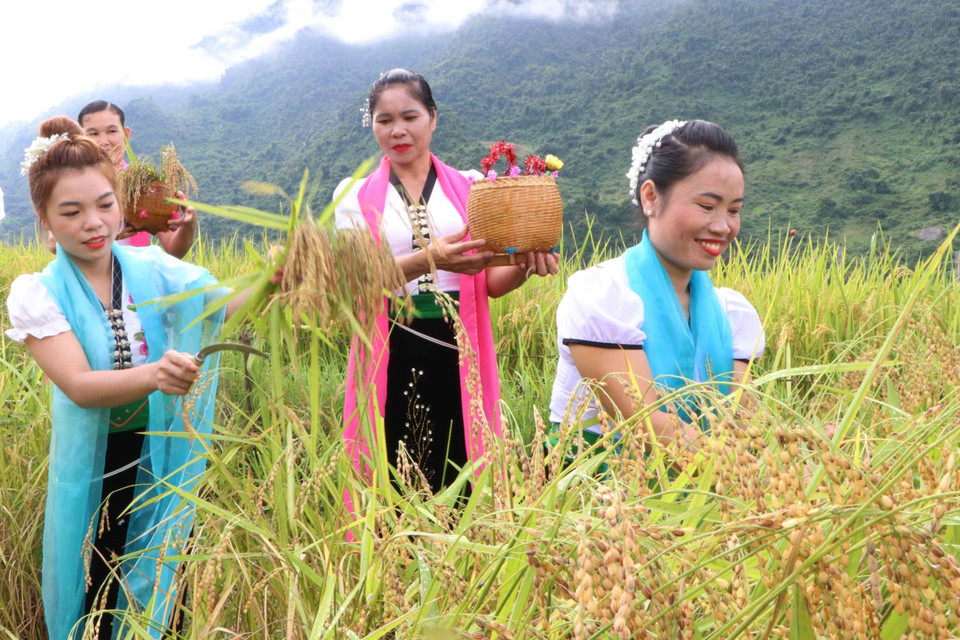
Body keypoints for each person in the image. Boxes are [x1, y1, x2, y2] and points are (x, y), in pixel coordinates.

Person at [5, 116, 251, 639]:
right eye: (70, 212)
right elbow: (79, 386)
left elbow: (222, 310)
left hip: (163, 457)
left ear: (120, 202)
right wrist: (155, 375)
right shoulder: (38, 292)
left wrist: (276, 277)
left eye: (104, 205)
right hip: (97, 470)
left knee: (164, 590)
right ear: (45, 222)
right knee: (99, 591)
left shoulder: (154, 266)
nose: (93, 223)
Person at [334, 69, 559, 495]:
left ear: (433, 119)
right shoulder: (354, 195)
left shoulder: (471, 188)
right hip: (391, 340)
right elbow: (356, 283)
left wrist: (525, 265)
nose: (398, 130)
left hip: (458, 342)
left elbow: (489, 282)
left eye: (410, 116)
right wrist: (432, 258)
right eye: (385, 121)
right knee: (390, 463)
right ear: (373, 126)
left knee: (461, 461)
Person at [549, 119, 765, 455]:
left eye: (734, 210)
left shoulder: (731, 314)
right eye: (707, 206)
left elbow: (740, 420)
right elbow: (649, 424)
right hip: (602, 493)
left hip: (706, 489)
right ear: (651, 196)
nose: (723, 227)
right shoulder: (603, 299)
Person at [73, 100, 197, 258]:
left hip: (136, 277)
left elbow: (174, 250)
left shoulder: (145, 185)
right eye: (93, 134)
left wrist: (189, 224)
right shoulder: (71, 185)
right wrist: (107, 237)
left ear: (126, 135)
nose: (103, 141)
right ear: (79, 138)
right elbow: (56, 243)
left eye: (112, 131)